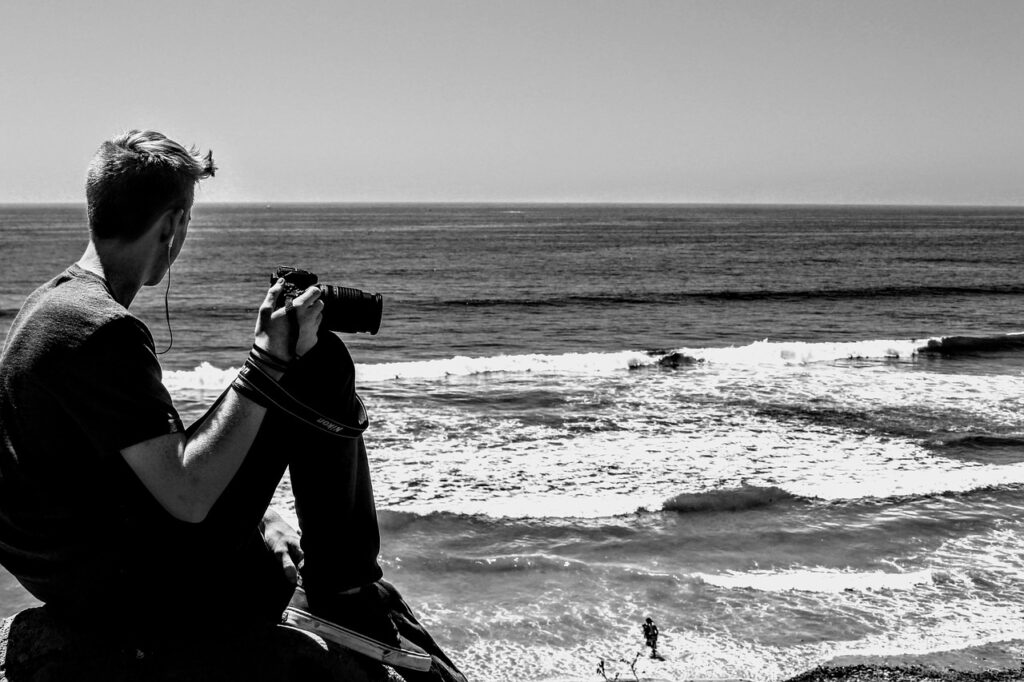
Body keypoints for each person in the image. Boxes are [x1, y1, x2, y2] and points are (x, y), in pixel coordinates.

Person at [0, 130, 465, 681]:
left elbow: (139, 464)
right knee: (317, 368)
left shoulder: (54, 303)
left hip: (71, 566)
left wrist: (260, 516)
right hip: (126, 587)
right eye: (187, 218)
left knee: (287, 377)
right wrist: (266, 360)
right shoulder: (103, 329)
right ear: (173, 224)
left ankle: (332, 575)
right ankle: (346, 587)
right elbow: (188, 494)